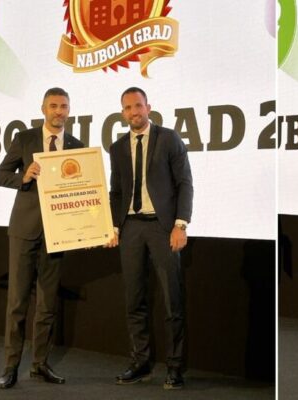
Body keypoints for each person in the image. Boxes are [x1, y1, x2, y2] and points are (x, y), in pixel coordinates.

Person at [0, 87, 84, 389]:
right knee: (18, 302)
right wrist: (23, 177)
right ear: (43, 109)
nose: (59, 111)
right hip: (24, 230)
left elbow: (82, 190)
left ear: (69, 110)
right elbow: (0, 175)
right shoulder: (24, 139)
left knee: (47, 304)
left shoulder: (76, 146)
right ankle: (10, 366)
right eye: (53, 106)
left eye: (64, 106)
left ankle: (40, 364)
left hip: (58, 233)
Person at [105, 87, 193, 390]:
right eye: (128, 108)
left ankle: (175, 368)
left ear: (148, 107)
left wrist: (180, 224)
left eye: (138, 106)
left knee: (172, 301)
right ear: (122, 113)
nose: (134, 112)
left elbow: (185, 183)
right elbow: (116, 191)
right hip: (130, 228)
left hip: (162, 226)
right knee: (134, 299)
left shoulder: (169, 138)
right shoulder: (117, 147)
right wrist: (114, 226)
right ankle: (140, 362)